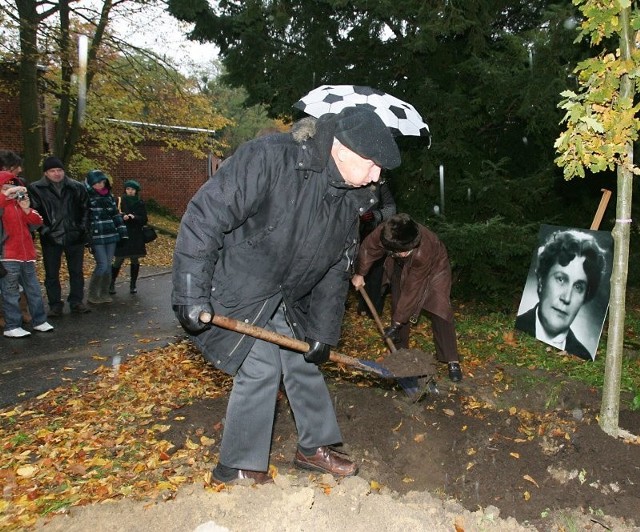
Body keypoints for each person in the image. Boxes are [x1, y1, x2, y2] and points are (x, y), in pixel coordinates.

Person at [172, 106, 401, 485]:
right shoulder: (270, 159)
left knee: (304, 359)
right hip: (231, 285)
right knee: (261, 367)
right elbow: (204, 216)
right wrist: (190, 290)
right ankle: (238, 468)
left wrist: (322, 335)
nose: (377, 177)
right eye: (373, 164)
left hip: (283, 293)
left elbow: (334, 268)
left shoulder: (350, 197)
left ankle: (313, 448)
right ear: (341, 150)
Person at [351, 213, 463, 382]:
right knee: (398, 303)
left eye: (407, 250)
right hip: (399, 266)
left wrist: (397, 323)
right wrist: (360, 273)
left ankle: (451, 359)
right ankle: (399, 353)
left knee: (440, 308)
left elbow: (413, 289)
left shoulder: (424, 249)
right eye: (401, 250)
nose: (404, 253)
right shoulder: (385, 233)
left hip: (435, 267)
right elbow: (367, 249)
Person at [515, 229, 606, 360]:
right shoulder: (519, 327)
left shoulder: (583, 356)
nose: (566, 298)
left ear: (585, 297)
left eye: (578, 287)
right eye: (561, 279)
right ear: (541, 280)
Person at [28, 156, 92, 316]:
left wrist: (82, 228)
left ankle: (76, 301)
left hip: (74, 235)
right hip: (51, 237)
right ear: (46, 173)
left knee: (76, 271)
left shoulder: (76, 187)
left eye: (59, 170)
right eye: (52, 171)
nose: (57, 174)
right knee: (51, 273)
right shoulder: (36, 188)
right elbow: (33, 212)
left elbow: (85, 208)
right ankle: (55, 304)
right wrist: (44, 231)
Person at [0, 171, 54, 338]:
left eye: (13, 186)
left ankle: (39, 320)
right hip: (7, 255)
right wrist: (5, 196)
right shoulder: (3, 206)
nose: (11, 190)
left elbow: (37, 222)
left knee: (34, 289)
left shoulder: (18, 205)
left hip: (26, 255)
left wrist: (26, 209)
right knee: (10, 292)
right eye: (6, 186)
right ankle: (12, 325)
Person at [85, 170, 127, 304]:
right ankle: (92, 293)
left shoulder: (109, 197)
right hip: (96, 236)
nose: (100, 185)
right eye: (97, 183)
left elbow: (116, 215)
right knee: (102, 264)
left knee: (108, 265)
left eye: (102, 182)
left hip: (111, 234)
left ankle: (104, 292)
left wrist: (122, 232)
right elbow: (84, 218)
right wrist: (87, 237)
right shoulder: (87, 197)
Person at [356, 181, 396, 317]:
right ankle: (361, 307)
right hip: (352, 234)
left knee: (376, 271)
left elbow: (391, 208)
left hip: (372, 232)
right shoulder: (351, 180)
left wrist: (375, 215)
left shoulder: (381, 184)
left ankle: (373, 310)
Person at [110, 180, 148, 295]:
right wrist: (123, 216)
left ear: (136, 191)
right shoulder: (120, 200)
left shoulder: (140, 203)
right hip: (123, 233)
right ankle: (111, 283)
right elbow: (114, 214)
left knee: (134, 259)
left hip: (135, 234)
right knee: (119, 259)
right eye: (128, 189)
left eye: (132, 189)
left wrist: (134, 217)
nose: (130, 191)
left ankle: (133, 284)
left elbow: (144, 219)